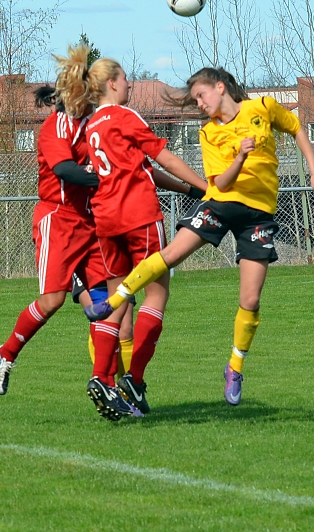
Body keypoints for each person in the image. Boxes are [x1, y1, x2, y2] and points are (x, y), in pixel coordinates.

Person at [84, 67, 314, 406]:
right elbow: (222, 184)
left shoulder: (263, 108)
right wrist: (241, 157)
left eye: (202, 95)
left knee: (251, 300)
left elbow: (297, 127)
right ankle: (114, 300)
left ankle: (235, 367)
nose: (199, 104)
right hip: (220, 205)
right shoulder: (209, 133)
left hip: (258, 214)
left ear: (220, 86)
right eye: (195, 99)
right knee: (171, 255)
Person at [80, 58, 208, 421]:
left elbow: (141, 168)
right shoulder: (126, 117)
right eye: (125, 80)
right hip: (138, 216)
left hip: (106, 221)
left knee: (118, 298)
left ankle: (102, 378)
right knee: (157, 292)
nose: (130, 85)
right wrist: (206, 186)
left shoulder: (91, 127)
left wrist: (187, 189)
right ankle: (134, 379)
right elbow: (163, 158)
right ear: (112, 84)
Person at [0, 45, 106, 396]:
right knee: (52, 301)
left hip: (92, 222)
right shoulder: (55, 126)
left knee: (105, 305)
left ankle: (107, 382)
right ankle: (6, 354)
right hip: (58, 220)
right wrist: (106, 176)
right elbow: (65, 170)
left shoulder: (97, 123)